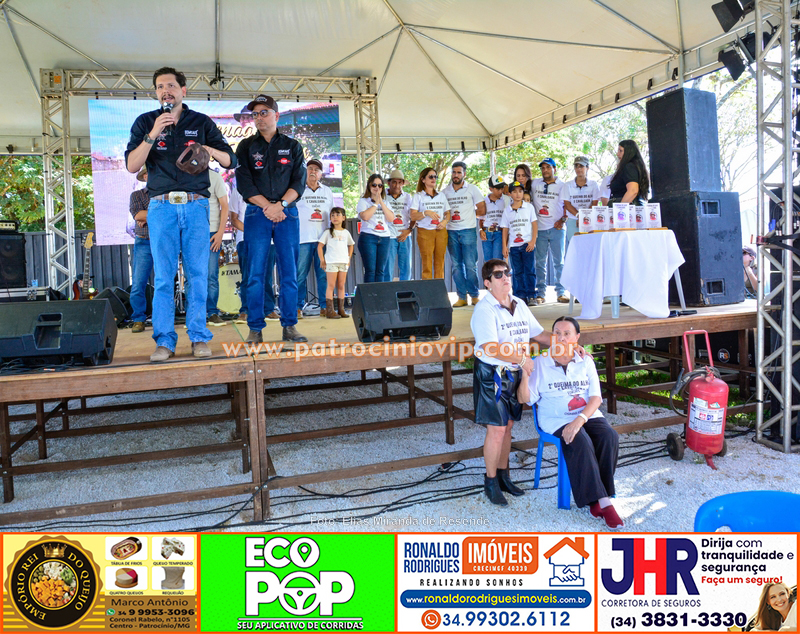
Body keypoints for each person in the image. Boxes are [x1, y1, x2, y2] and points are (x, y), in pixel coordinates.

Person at [125, 66, 236, 362]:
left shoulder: (201, 122)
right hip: (160, 207)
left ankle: (199, 337)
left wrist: (208, 149)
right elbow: (132, 166)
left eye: (171, 86)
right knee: (164, 278)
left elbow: (230, 160)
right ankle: (164, 341)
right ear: (155, 92)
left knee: (198, 275)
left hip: (196, 206)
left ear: (183, 90)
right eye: (160, 87)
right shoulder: (145, 122)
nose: (166, 91)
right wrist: (153, 134)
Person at [517, 316, 623, 529]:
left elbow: (596, 398)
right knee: (580, 440)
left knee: (609, 436)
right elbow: (524, 399)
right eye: (557, 333)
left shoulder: (585, 361)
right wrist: (525, 374)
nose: (561, 338)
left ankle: (599, 496)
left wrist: (579, 420)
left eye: (567, 334)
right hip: (555, 418)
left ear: (577, 337)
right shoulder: (540, 363)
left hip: (585, 414)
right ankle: (602, 502)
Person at [470, 258, 552, 506]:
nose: (505, 277)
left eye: (507, 272)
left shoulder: (520, 304)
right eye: (498, 274)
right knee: (496, 430)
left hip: (514, 372)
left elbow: (539, 334)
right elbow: (490, 347)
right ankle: (490, 481)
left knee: (507, 428)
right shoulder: (484, 309)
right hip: (492, 374)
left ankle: (504, 476)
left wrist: (569, 345)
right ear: (487, 283)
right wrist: (523, 358)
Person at [235, 94, 307, 344]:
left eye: (264, 112)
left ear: (276, 115)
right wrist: (268, 207)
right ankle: (255, 328)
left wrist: (281, 205)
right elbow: (244, 184)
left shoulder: (293, 146)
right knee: (255, 273)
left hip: (287, 213)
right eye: (255, 114)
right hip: (258, 213)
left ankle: (290, 326)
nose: (259, 118)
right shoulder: (245, 147)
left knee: (289, 272)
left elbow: (299, 182)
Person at [228, 176, 279, 324]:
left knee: (267, 277)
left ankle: (268, 309)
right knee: (248, 276)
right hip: (245, 240)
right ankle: (245, 310)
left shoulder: (271, 191)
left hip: (268, 241)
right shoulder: (238, 190)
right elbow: (234, 219)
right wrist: (253, 233)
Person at [443, 161, 486, 306]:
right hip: (451, 231)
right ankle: (461, 297)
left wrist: (469, 214)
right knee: (456, 266)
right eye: (454, 172)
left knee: (470, 265)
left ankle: (474, 295)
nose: (456, 175)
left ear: (464, 174)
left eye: (459, 172)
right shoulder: (445, 192)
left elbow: (482, 209)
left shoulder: (472, 189)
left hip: (468, 230)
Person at [297, 158, 334, 317]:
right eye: (310, 168)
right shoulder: (298, 189)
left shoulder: (327, 191)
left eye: (316, 169)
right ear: (305, 171)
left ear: (321, 174)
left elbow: (333, 215)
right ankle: (297, 307)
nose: (313, 171)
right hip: (302, 239)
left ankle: (325, 307)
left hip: (323, 240)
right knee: (299, 275)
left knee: (323, 275)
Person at [531, 158, 568, 304]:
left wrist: (562, 220)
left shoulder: (562, 186)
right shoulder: (535, 183)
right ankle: (540, 293)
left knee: (559, 262)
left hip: (557, 228)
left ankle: (561, 292)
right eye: (543, 168)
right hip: (539, 229)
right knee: (540, 262)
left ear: (554, 169)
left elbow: (567, 205)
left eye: (548, 167)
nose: (545, 170)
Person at [500, 181, 538, 306]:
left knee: (530, 270)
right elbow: (505, 229)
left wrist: (533, 241)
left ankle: (531, 295)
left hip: (527, 245)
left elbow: (534, 225)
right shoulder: (507, 211)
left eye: (520, 191)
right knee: (517, 272)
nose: (518, 194)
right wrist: (504, 246)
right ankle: (520, 296)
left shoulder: (529, 207)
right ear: (510, 194)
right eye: (515, 191)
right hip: (514, 246)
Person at [410, 168, 450, 280]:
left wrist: (445, 221)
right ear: (423, 179)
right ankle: (427, 289)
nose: (434, 179)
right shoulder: (418, 196)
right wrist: (425, 213)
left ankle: (439, 289)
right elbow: (413, 216)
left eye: (435, 177)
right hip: (425, 232)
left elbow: (448, 213)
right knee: (427, 264)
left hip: (440, 231)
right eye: (430, 176)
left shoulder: (441, 195)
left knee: (440, 263)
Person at [356, 174, 395, 283]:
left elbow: (391, 218)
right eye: (374, 185)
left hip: (384, 237)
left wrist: (381, 202)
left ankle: (379, 293)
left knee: (380, 271)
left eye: (380, 185)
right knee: (370, 271)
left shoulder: (386, 202)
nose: (377, 188)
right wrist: (376, 203)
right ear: (369, 186)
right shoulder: (364, 201)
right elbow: (365, 216)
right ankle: (369, 293)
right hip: (369, 237)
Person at [203, 169, 230, 326]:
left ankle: (212, 312)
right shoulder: (185, 175)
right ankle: (195, 314)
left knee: (211, 275)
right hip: (191, 233)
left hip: (212, 232)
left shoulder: (214, 177)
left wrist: (220, 233)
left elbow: (224, 206)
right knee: (192, 277)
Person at [318, 207, 354, 319]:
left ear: (343, 218)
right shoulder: (328, 232)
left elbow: (351, 245)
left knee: (341, 285)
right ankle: (329, 310)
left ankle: (341, 309)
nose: (335, 217)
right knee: (331, 285)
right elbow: (320, 246)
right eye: (332, 215)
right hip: (331, 261)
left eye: (338, 215)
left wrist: (348, 258)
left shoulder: (346, 232)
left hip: (343, 262)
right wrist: (322, 260)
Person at [129, 167, 152, 334]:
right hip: (144, 241)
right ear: (144, 176)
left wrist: (147, 215)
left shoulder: (167, 195)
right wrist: (158, 214)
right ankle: (138, 318)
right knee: (138, 282)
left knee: (165, 282)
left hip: (164, 242)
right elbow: (138, 215)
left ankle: (163, 318)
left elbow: (169, 215)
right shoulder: (136, 195)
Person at [561, 156, 601, 253]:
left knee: (589, 248)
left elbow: (594, 203)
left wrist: (584, 217)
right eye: (576, 166)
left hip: (589, 220)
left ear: (587, 168)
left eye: (581, 166)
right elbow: (567, 204)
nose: (578, 169)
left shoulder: (593, 184)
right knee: (574, 249)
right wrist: (579, 216)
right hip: (573, 220)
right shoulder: (567, 185)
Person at [384, 169, 414, 282]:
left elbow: (414, 215)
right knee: (387, 268)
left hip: (405, 235)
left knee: (406, 268)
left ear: (403, 183)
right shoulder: (383, 196)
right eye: (394, 182)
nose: (397, 185)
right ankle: (387, 291)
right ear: (389, 183)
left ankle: (405, 291)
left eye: (400, 182)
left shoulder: (408, 197)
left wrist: (409, 230)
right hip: (389, 235)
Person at [608, 139, 650, 205]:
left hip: (626, 206)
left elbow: (633, 190)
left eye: (620, 151)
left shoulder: (629, 166)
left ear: (628, 152)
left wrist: (621, 208)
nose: (617, 154)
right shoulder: (636, 166)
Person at [480, 175, 508, 263]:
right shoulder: (484, 201)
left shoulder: (506, 200)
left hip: (499, 232)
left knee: (497, 261)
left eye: (502, 188)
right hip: (487, 232)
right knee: (488, 261)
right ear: (491, 189)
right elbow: (481, 218)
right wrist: (481, 230)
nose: (500, 191)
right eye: (498, 189)